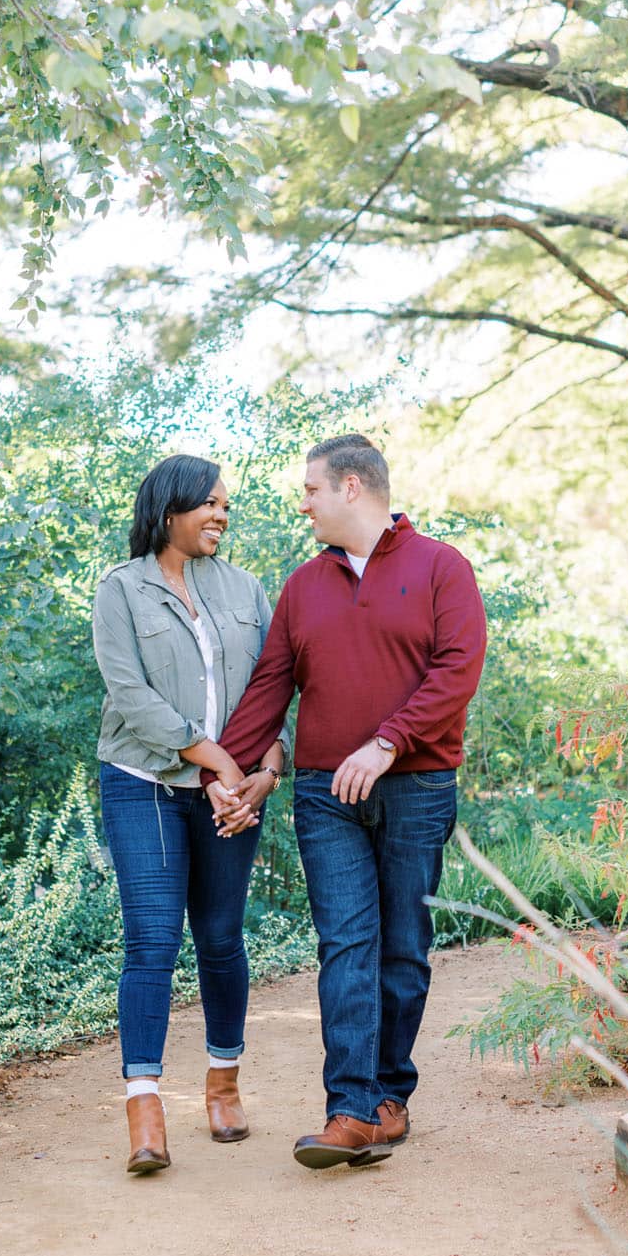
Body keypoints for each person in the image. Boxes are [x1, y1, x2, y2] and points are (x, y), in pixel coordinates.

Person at [206, 435, 487, 1169]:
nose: (302, 503)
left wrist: (388, 742)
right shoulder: (304, 586)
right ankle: (350, 1110)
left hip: (416, 787)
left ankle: (390, 1098)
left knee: (403, 949)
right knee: (345, 945)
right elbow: (271, 683)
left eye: (310, 490)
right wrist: (226, 770)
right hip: (325, 792)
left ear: (353, 487)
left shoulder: (441, 569)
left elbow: (458, 670)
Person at [92, 455, 286, 1176]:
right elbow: (128, 692)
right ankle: (144, 1106)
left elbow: (276, 684)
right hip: (144, 781)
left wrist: (264, 771)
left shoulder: (244, 589)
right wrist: (213, 759)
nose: (220, 515)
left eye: (226, 506)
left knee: (220, 936)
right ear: (168, 507)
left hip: (236, 787)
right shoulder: (120, 590)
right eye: (208, 503)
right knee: (150, 940)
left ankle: (223, 1083)